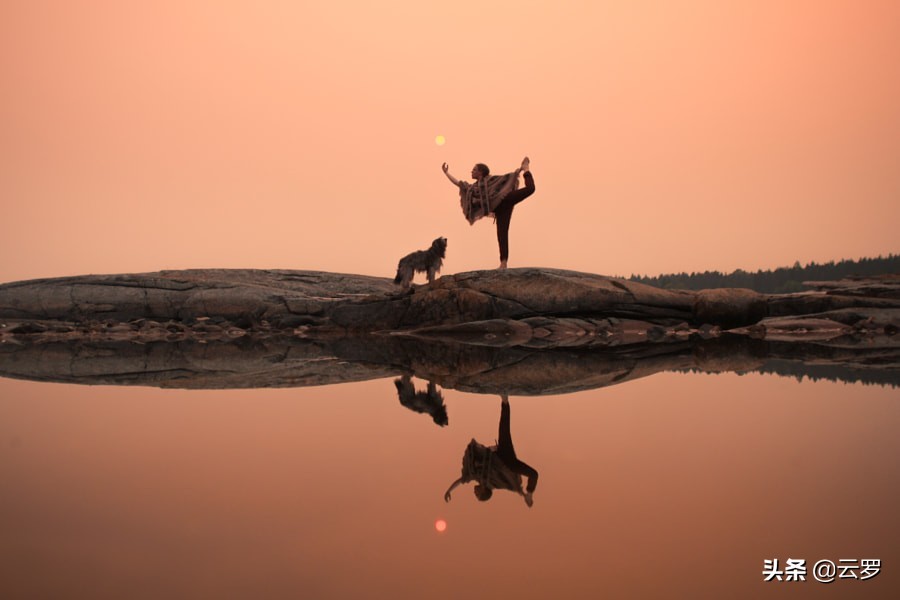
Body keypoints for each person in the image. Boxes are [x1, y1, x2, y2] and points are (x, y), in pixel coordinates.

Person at [444, 395, 539, 507]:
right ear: (483, 491)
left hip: (499, 455)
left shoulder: (475, 475)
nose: (474, 493)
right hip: (508, 461)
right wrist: (526, 494)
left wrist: (449, 490)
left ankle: (504, 400)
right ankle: (505, 401)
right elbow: (514, 487)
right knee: (504, 429)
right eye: (477, 494)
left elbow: (460, 481)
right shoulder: (496, 484)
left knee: (503, 428)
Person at [442, 157, 535, 269]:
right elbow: (458, 183)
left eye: (474, 169)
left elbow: (508, 178)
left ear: (480, 172)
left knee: (530, 189)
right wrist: (446, 173)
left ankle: (526, 169)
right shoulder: (473, 188)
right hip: (500, 210)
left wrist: (520, 170)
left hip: (506, 199)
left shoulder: (492, 180)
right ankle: (503, 263)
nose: (471, 171)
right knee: (502, 235)